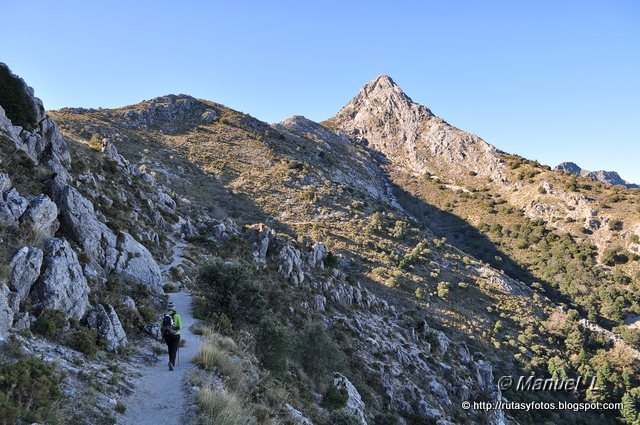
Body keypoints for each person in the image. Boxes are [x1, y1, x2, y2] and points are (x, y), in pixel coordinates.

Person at [162, 301, 182, 371]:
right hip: (175, 335)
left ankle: (170, 361)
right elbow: (180, 326)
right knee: (174, 349)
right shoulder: (177, 315)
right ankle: (171, 362)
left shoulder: (165, 315)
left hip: (167, 335)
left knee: (170, 348)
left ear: (168, 308)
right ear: (174, 307)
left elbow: (161, 325)